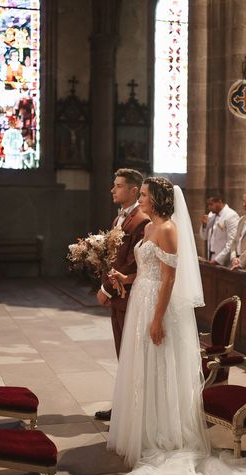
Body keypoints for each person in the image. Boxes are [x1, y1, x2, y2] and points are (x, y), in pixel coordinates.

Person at [106, 177, 246, 475]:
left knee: (160, 366)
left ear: (155, 198)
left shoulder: (167, 229)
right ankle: (143, 427)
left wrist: (157, 319)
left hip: (158, 306)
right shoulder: (149, 227)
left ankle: (163, 432)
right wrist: (124, 278)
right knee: (143, 366)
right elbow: (146, 269)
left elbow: (168, 278)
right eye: (139, 194)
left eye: (142, 195)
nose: (139, 199)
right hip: (142, 298)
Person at [95, 169, 150, 421]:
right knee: (122, 352)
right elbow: (113, 256)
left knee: (131, 353)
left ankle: (132, 409)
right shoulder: (119, 219)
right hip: (118, 295)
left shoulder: (141, 220)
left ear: (133, 191)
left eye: (118, 186)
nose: (112, 190)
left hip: (127, 295)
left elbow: (132, 262)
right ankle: (123, 405)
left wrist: (107, 287)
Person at [198, 191, 239, 266]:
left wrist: (217, 260)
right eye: (208, 205)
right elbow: (204, 237)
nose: (209, 207)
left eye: (211, 204)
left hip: (223, 260)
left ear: (220, 202)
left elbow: (232, 242)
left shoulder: (231, 215)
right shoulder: (211, 215)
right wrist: (204, 225)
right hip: (210, 256)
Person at [230, 190, 246, 272]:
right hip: (236, 261)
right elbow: (234, 241)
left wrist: (240, 262)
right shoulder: (241, 219)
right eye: (243, 201)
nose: (244, 204)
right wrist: (233, 257)